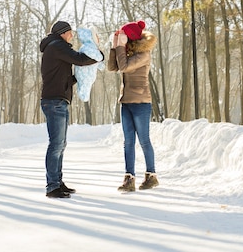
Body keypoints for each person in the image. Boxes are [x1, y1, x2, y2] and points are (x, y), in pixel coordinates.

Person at [39, 20, 103, 198]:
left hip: (58, 100)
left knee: (60, 145)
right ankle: (52, 186)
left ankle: (57, 182)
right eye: (70, 32)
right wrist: (99, 56)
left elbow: (67, 77)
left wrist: (82, 76)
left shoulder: (56, 48)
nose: (72, 36)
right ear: (62, 33)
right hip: (54, 102)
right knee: (56, 144)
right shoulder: (57, 46)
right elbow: (80, 60)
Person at [107, 20, 159, 192]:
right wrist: (114, 47)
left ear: (131, 39)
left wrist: (121, 48)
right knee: (128, 141)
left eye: (124, 37)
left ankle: (151, 176)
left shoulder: (144, 54)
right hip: (126, 102)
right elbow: (113, 66)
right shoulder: (127, 53)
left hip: (141, 102)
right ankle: (129, 179)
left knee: (144, 140)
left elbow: (125, 66)